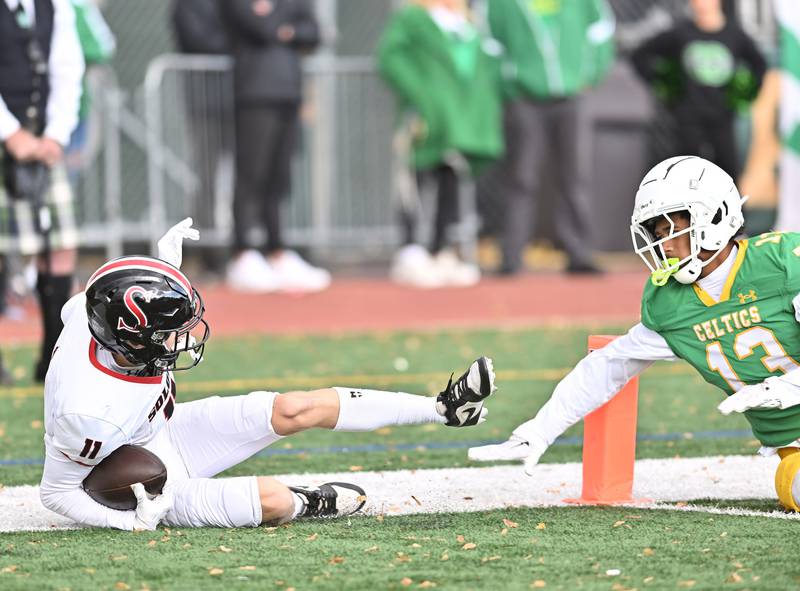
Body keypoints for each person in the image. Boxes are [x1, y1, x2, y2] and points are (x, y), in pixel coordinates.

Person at [38, 218, 497, 530]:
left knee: (292, 407)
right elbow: (56, 493)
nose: (184, 339)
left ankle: (443, 408)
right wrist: (130, 519)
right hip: (138, 482)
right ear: (132, 340)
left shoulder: (89, 312)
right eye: (171, 333)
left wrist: (165, 268)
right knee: (273, 499)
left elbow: (121, 298)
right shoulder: (86, 414)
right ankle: (306, 500)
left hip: (161, 430)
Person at [469, 155, 800, 513]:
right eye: (658, 235)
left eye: (673, 230)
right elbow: (608, 365)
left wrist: (780, 388)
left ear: (715, 217)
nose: (665, 246)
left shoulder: (782, 262)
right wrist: (539, 430)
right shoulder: (671, 305)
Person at [377, 0, 503, 288]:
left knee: (452, 181)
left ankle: (440, 249)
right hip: (426, 118)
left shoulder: (469, 24)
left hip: (459, 123)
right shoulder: (413, 17)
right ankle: (411, 249)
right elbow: (390, 57)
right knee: (415, 181)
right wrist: (421, 95)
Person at [485, 0, 615, 276]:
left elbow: (602, 32)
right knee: (522, 177)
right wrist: (510, 85)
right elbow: (489, 46)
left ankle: (578, 253)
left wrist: (590, 73)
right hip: (524, 99)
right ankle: (511, 255)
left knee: (575, 177)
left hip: (572, 97)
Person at [220, 0, 330, 293]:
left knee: (278, 177)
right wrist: (286, 26)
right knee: (251, 174)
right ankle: (243, 250)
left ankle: (277, 250)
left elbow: (313, 32)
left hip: (288, 93)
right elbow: (259, 27)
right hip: (254, 93)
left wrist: (283, 24)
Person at [0, 0, 85, 382]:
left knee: (61, 245)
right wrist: (9, 132)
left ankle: (53, 357)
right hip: (9, 136)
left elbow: (68, 69)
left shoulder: (55, 5)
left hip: (40, 141)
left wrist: (56, 135)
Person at [630, 0, 767, 181]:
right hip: (689, 117)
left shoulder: (734, 35)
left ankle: (728, 210)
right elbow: (641, 55)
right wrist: (664, 81)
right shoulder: (681, 33)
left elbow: (759, 65)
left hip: (722, 117)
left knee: (728, 173)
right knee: (686, 173)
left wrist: (742, 93)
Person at [63, 0, 115, 186]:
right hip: (58, 110)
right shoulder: (76, 7)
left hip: (73, 106)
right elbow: (101, 47)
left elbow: (103, 46)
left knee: (66, 179)